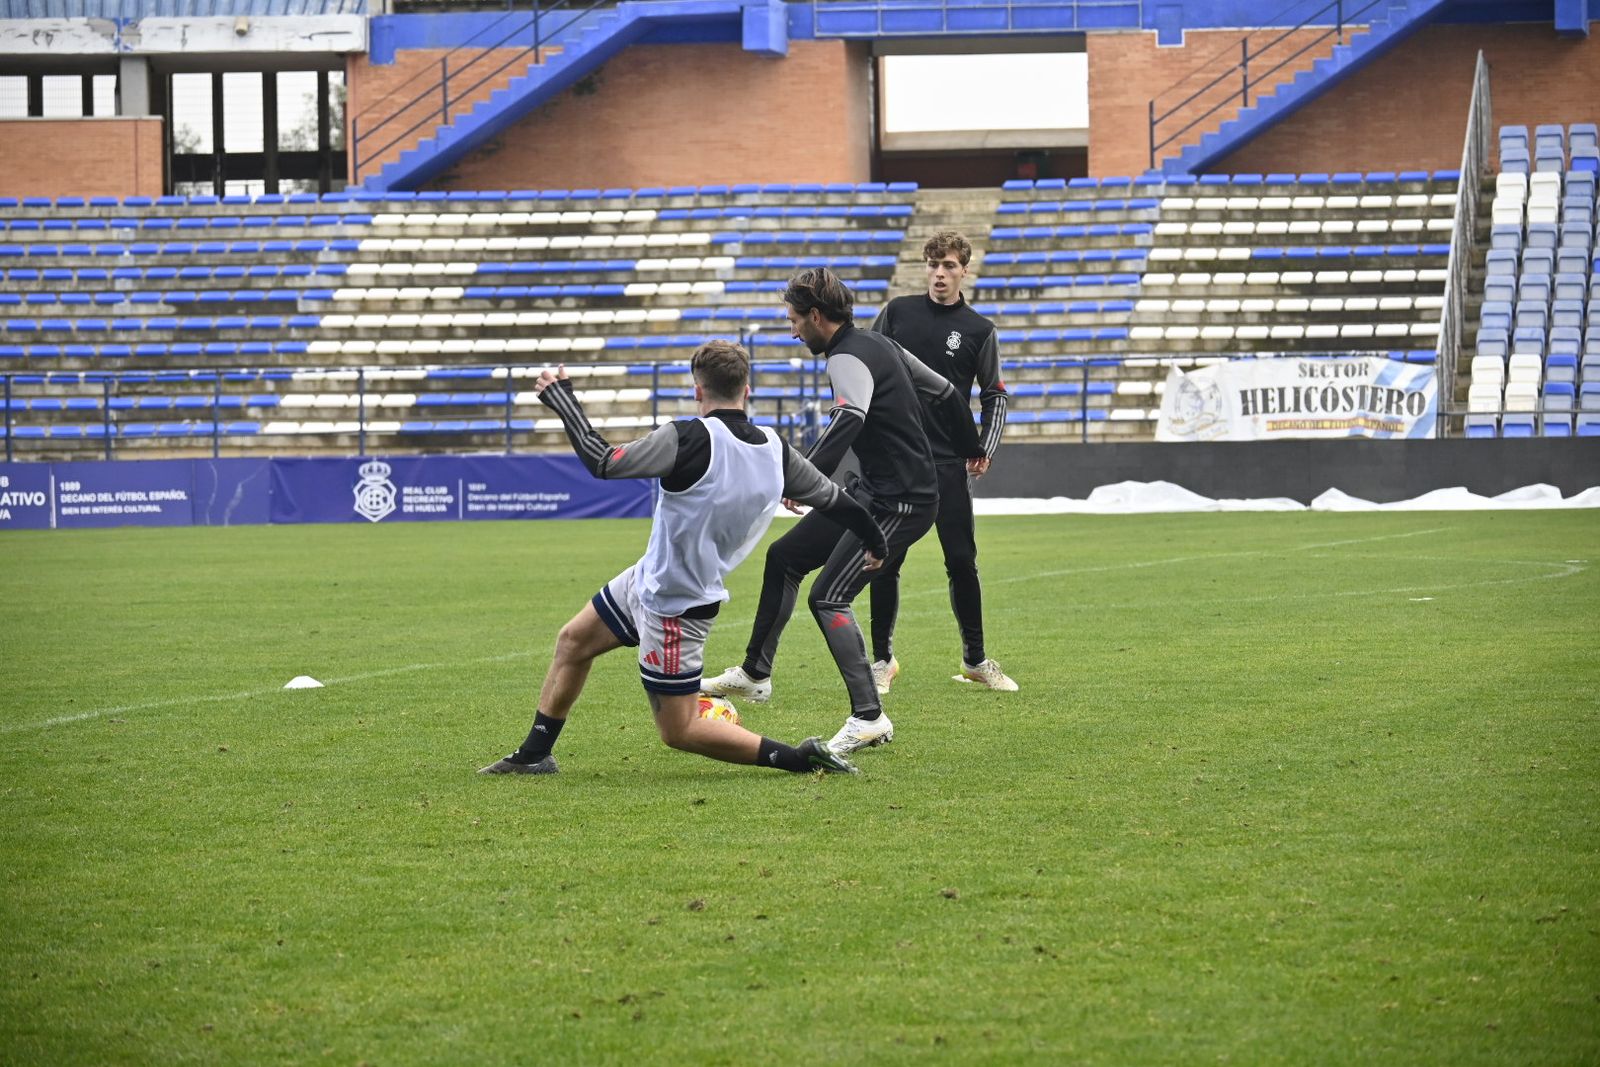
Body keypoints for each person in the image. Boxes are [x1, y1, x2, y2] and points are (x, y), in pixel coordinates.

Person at [479, 339, 888, 778]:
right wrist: (875, 539)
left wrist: (563, 399)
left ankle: (798, 757)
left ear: (698, 390)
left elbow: (604, 461)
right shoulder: (776, 450)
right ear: (746, 390)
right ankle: (535, 754)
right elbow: (835, 500)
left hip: (677, 604)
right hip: (649, 579)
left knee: (680, 730)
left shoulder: (687, 438)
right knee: (573, 642)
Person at [701, 267, 987, 756]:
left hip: (903, 501)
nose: (792, 330)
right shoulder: (880, 345)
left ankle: (869, 716)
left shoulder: (846, 356)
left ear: (816, 316)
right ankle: (754, 674)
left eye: (794, 320)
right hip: (874, 491)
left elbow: (849, 418)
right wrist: (971, 446)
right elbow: (945, 392)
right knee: (784, 558)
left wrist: (805, 478)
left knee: (829, 596)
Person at [866, 230, 1018, 693]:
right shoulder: (896, 313)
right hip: (899, 462)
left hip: (949, 463)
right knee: (885, 561)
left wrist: (984, 447)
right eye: (933, 264)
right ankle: (882, 661)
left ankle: (975, 660)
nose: (939, 273)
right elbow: (864, 366)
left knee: (961, 561)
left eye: (949, 265)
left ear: (964, 270)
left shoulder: (979, 330)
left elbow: (995, 395)